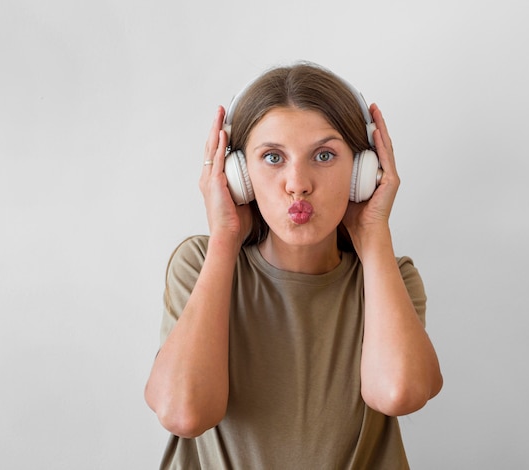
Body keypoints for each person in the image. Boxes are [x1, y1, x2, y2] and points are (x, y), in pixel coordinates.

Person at [145, 61, 443, 469]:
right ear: (236, 176)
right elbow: (184, 413)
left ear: (363, 171)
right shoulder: (199, 263)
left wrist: (374, 235)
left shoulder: (390, 277)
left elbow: (398, 393)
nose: (298, 182)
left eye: (324, 155)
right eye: (272, 157)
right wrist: (224, 238)